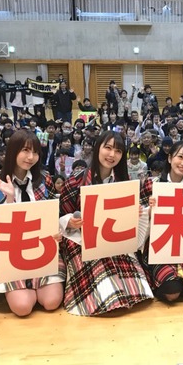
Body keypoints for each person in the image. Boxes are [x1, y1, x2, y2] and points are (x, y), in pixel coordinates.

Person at [58, 130, 153, 315]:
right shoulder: (75, 181)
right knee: (105, 288)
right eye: (108, 148)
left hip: (115, 238)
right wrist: (70, 221)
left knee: (137, 290)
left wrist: (135, 213)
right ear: (97, 148)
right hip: (82, 240)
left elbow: (132, 216)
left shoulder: (124, 182)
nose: (112, 155)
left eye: (118, 151)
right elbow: (60, 214)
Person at [0, 130, 64, 316]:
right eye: (25, 150)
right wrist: (9, 199)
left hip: (43, 248)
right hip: (12, 251)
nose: (30, 157)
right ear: (13, 150)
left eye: (35, 152)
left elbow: (54, 212)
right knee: (23, 307)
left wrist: (57, 229)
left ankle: (37, 286)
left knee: (51, 302)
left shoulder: (45, 179)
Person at [139, 142, 183, 301]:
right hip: (160, 247)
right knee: (171, 293)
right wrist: (149, 211)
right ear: (170, 158)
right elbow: (138, 223)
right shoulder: (152, 184)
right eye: (180, 157)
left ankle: (182, 280)